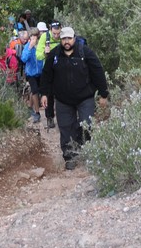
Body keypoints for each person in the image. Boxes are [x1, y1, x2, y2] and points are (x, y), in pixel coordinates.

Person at [40, 26, 109, 169]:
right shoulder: (54, 55)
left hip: (85, 97)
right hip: (63, 99)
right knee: (65, 128)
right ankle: (69, 156)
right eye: (64, 38)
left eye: (69, 38)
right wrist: (44, 94)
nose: (66, 41)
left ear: (74, 38)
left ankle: (82, 148)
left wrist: (104, 94)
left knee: (86, 124)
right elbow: (46, 75)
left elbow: (98, 72)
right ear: (60, 40)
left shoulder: (85, 52)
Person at [42, 21, 63, 130]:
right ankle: (49, 117)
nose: (56, 36)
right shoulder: (45, 37)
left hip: (61, 70)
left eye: (58, 33)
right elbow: (38, 55)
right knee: (49, 95)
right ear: (50, 30)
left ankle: (63, 117)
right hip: (49, 70)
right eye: (54, 33)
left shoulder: (64, 37)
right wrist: (44, 53)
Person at [21, 26, 44, 123]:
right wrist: (30, 48)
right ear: (30, 37)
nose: (34, 39)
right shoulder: (27, 46)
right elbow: (23, 59)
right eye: (32, 37)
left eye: (36, 37)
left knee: (35, 90)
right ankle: (37, 113)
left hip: (40, 72)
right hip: (30, 73)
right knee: (35, 91)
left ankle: (30, 107)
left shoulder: (40, 46)